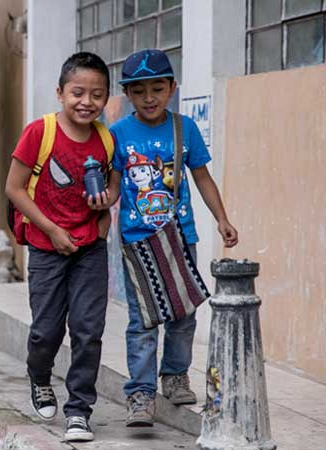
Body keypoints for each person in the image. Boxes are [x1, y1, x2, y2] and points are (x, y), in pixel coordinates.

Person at [104, 49, 239, 427]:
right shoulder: (118, 134)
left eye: (158, 89)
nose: (150, 98)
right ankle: (141, 393)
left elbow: (202, 178)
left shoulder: (185, 129)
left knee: (183, 313)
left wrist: (222, 219)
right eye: (140, 91)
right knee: (143, 320)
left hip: (180, 237)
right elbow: (114, 188)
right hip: (137, 241)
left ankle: (175, 375)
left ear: (172, 88)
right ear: (128, 95)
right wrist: (98, 201)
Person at [4, 52, 112, 443]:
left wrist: (105, 209)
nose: (86, 102)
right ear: (60, 93)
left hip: (89, 248)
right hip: (46, 246)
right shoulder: (39, 132)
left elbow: (113, 183)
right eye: (77, 93)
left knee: (88, 330)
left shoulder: (105, 137)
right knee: (46, 331)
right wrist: (50, 229)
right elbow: (13, 189)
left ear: (105, 98)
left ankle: (79, 411)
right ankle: (39, 375)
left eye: (96, 95)